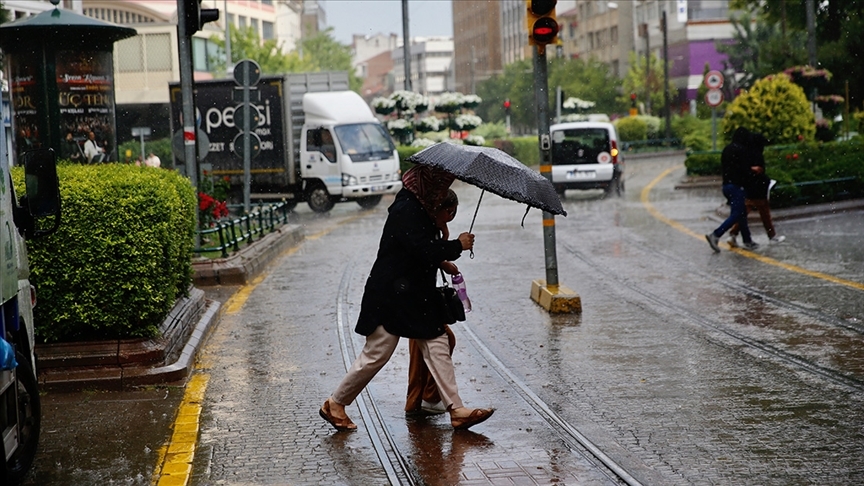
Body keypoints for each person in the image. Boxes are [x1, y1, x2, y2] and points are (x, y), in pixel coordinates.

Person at [320, 165, 494, 431]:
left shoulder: (419, 208)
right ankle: (335, 403)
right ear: (427, 185)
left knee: (437, 343)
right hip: (391, 297)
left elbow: (415, 251)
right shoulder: (407, 209)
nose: (441, 194)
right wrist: (456, 245)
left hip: (414, 297)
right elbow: (419, 249)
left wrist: (443, 257)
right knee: (377, 353)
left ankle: (456, 410)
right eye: (438, 188)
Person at [405, 189, 460, 416]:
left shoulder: (432, 228)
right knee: (439, 342)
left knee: (422, 350)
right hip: (415, 296)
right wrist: (454, 244)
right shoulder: (422, 226)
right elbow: (423, 254)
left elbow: (430, 254)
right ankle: (425, 398)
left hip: (419, 296)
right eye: (450, 212)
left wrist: (443, 259)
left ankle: (421, 399)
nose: (451, 217)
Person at [706, 127, 760, 252]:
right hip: (737, 187)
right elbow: (744, 170)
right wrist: (753, 171)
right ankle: (716, 234)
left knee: (741, 214)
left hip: (726, 186)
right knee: (737, 214)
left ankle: (747, 240)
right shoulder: (742, 150)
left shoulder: (727, 149)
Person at [727, 131, 785, 246]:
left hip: (749, 188)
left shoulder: (745, 153)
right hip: (759, 189)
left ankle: (733, 234)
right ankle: (772, 236)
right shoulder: (757, 155)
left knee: (745, 212)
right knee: (765, 213)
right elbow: (760, 171)